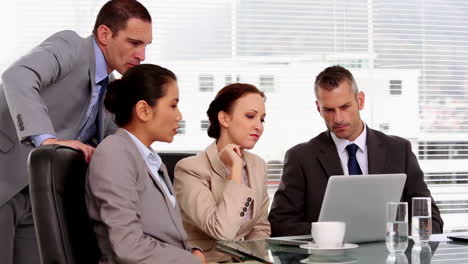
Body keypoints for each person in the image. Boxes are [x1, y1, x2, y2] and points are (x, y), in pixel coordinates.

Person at [0, 1, 152, 263]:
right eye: (134, 43)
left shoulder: (111, 90)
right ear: (105, 35)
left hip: (40, 194)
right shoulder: (71, 45)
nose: (142, 55)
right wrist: (47, 140)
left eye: (145, 45)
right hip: (6, 176)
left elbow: (121, 143)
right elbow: (17, 76)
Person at [268, 65, 444, 237]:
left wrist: (393, 234)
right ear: (318, 108)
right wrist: (330, 235)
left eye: (345, 107)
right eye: (328, 110)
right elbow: (280, 224)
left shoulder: (399, 150)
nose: (338, 119)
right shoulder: (301, 157)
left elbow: (432, 221)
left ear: (360, 100)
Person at [86, 64, 206, 264]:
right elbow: (128, 246)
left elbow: (163, 233)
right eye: (173, 105)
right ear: (144, 110)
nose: (179, 116)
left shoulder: (148, 158)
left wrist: (192, 252)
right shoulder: (115, 153)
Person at [173, 83, 271, 262]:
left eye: (262, 119)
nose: (259, 126)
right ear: (225, 119)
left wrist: (254, 261)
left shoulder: (258, 166)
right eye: (250, 116)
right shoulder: (190, 169)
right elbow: (222, 230)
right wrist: (235, 169)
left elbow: (259, 227)